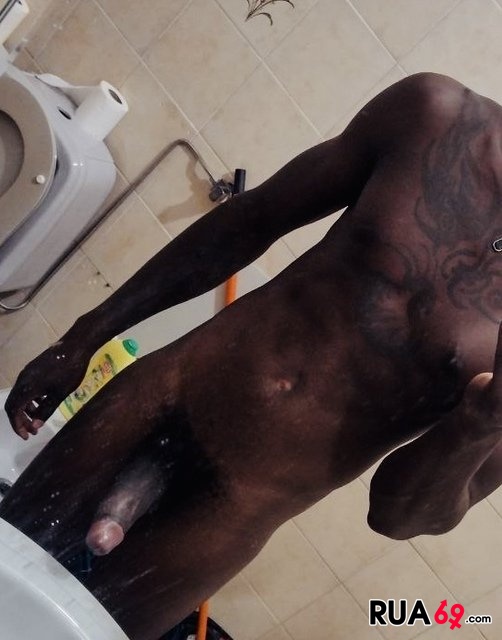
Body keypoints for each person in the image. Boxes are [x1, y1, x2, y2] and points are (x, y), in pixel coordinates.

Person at [2, 71, 502, 640]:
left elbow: (397, 517)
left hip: (232, 510)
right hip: (153, 402)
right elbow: (251, 219)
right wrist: (82, 338)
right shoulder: (435, 115)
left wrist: (481, 425)